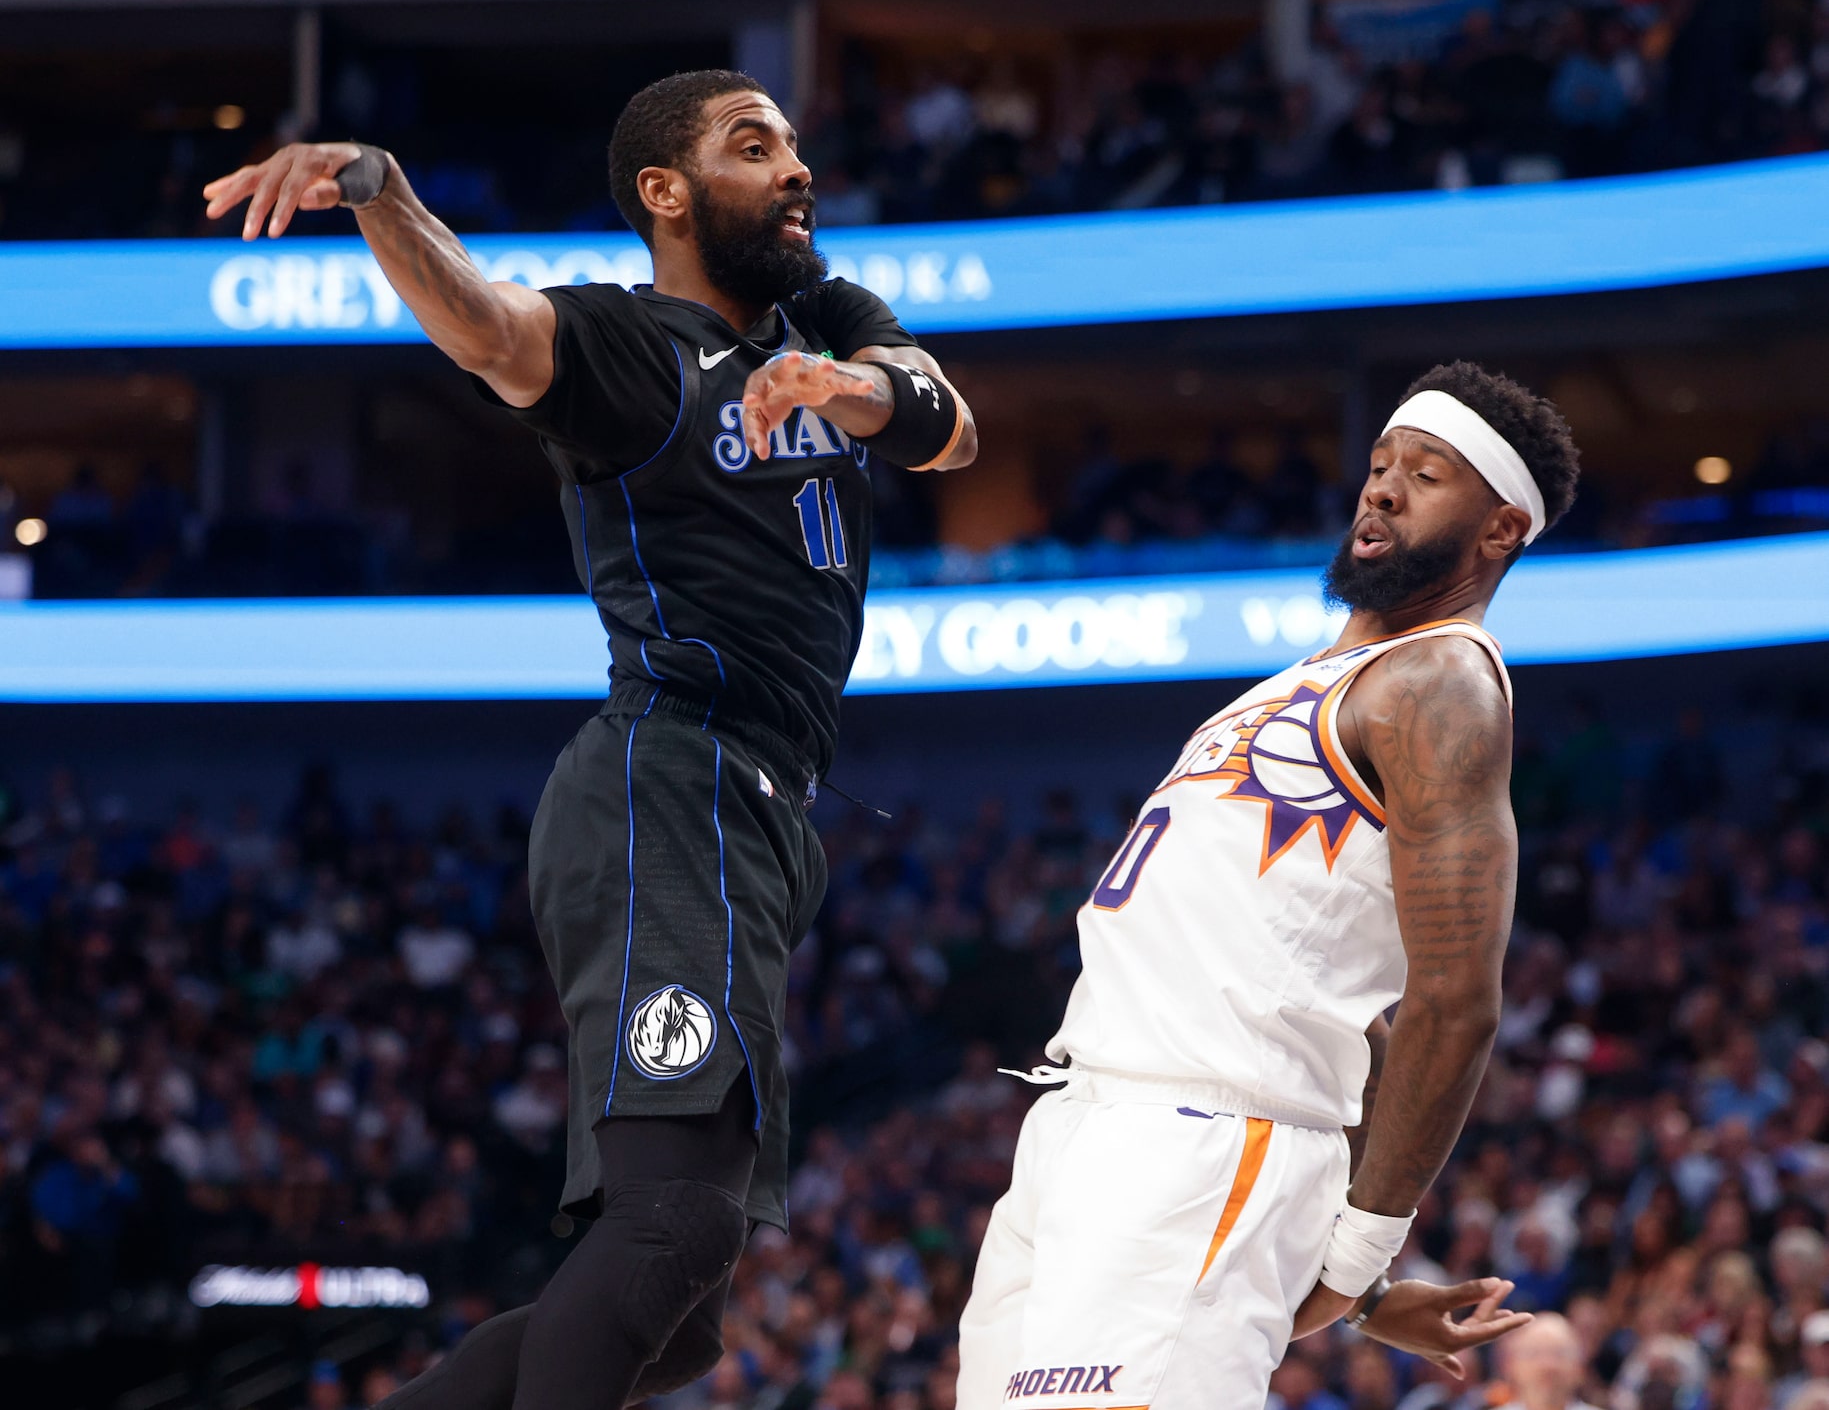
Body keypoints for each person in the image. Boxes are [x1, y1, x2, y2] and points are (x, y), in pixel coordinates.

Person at [202, 69, 977, 1410]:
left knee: (674, 1319)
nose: (795, 166)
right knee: (672, 1226)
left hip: (757, 811)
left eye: (794, 142)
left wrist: (847, 390)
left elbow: (949, 425)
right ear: (665, 194)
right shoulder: (628, 350)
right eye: (754, 146)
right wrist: (381, 192)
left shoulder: (825, 314)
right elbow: (484, 324)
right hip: (671, 777)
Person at [957, 360, 1581, 1410]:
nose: (1380, 488)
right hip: (1083, 1129)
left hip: (1196, 1146)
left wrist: (1356, 1251)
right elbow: (1340, 1020)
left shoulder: (1440, 683)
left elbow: (1454, 999)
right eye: (1380, 463)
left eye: (1425, 475)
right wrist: (1373, 1291)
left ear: (1500, 527)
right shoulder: (1302, 683)